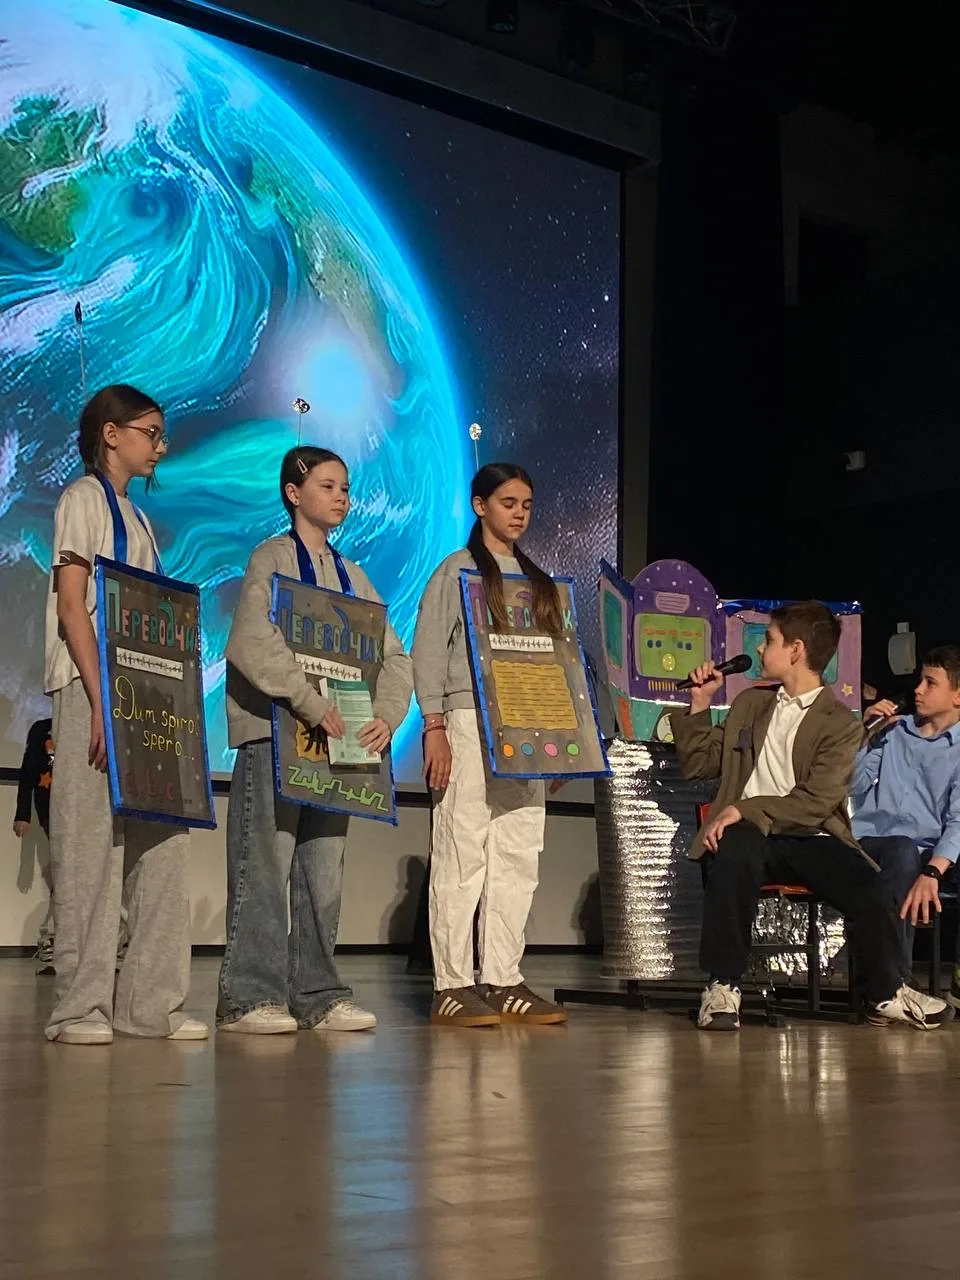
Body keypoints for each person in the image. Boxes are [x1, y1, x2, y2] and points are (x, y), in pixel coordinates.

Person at [670, 601, 953, 1032]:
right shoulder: (751, 704)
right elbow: (698, 765)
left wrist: (743, 807)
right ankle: (723, 986)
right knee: (737, 845)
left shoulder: (839, 723)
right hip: (752, 835)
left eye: (769, 640)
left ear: (796, 649)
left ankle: (886, 992)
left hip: (810, 835)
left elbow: (816, 802)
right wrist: (699, 704)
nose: (760, 649)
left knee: (870, 886)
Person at [218, 446, 412, 1034]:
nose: (341, 497)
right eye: (327, 486)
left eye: (345, 487)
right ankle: (249, 997)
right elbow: (251, 640)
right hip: (274, 735)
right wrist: (309, 701)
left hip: (338, 746)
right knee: (264, 867)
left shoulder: (353, 575)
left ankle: (318, 994)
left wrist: (386, 715)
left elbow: (393, 655)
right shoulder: (271, 557)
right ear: (293, 493)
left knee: (324, 872)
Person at [44, 385, 207, 1044]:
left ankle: (150, 1005)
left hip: (150, 703)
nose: (160, 446)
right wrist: (98, 701)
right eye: (150, 432)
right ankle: (79, 1008)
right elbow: (71, 605)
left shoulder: (138, 520)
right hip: (95, 691)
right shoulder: (82, 499)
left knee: (162, 846)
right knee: (90, 848)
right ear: (111, 433)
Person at [413, 462, 567, 1027]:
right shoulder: (456, 570)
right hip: (468, 719)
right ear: (480, 506)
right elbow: (429, 648)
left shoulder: (539, 582)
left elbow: (557, 664)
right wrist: (434, 727)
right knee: (462, 849)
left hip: (526, 726)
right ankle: (452, 983)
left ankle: (503, 977)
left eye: (526, 504)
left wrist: (563, 744)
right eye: (508, 502)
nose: (519, 513)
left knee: (518, 854)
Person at [850, 647, 960, 1003]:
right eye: (919, 681)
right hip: (874, 842)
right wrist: (864, 735)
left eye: (930, 683)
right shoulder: (894, 731)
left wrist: (933, 871)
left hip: (927, 852)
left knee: (913, 854)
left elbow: (958, 820)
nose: (918, 690)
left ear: (957, 696)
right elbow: (851, 786)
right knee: (901, 850)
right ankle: (895, 985)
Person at [13, 718, 55, 974]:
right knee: (62, 875)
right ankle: (51, 940)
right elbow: (28, 771)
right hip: (52, 811)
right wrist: (22, 814)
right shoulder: (42, 729)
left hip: (85, 812)